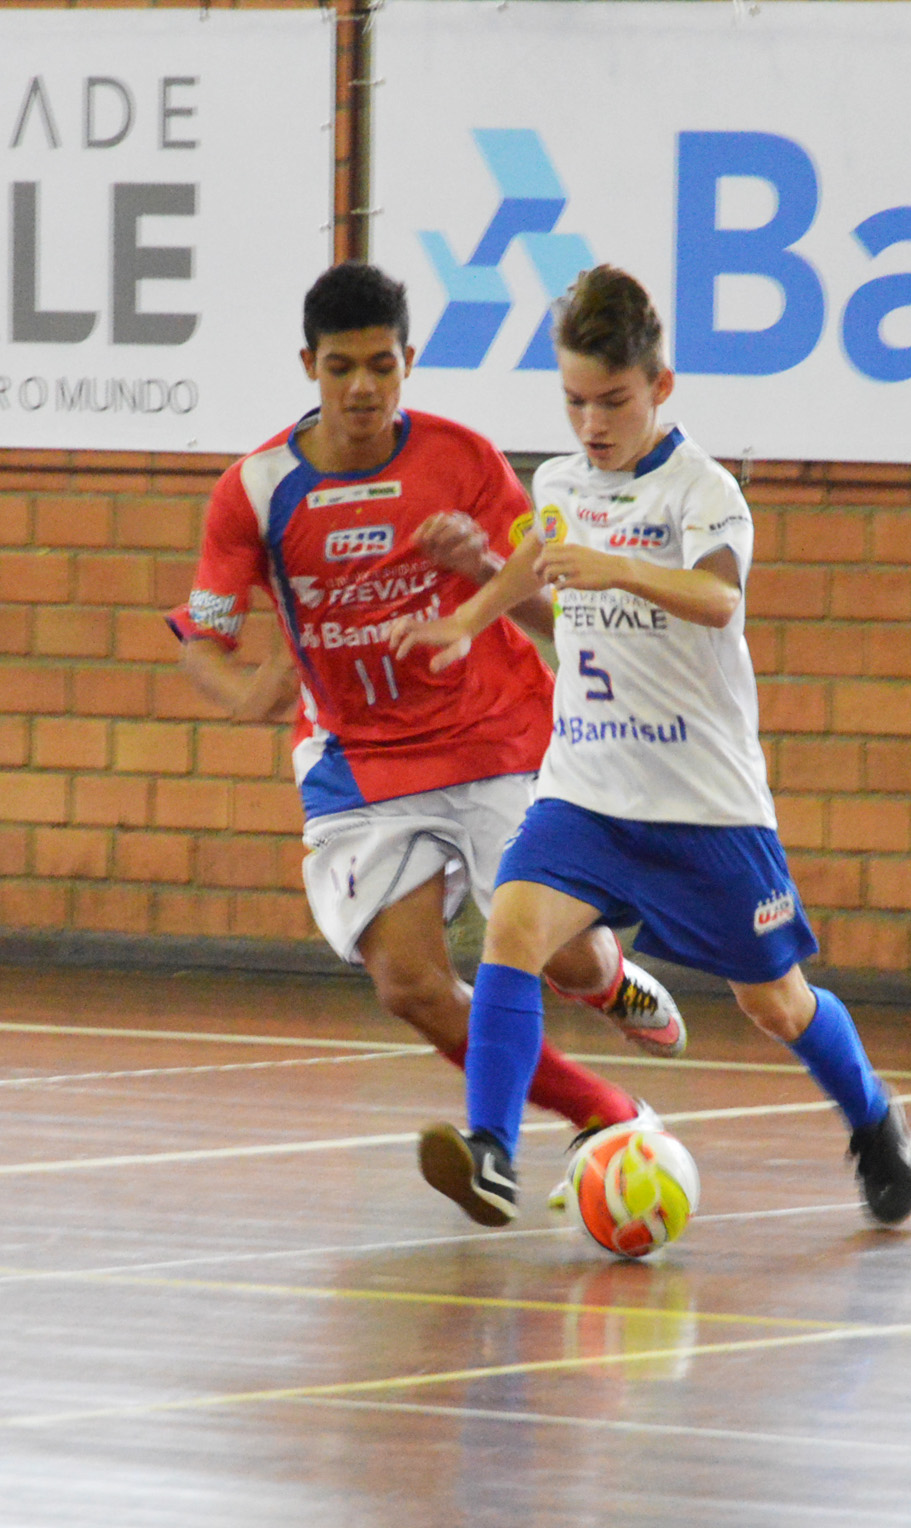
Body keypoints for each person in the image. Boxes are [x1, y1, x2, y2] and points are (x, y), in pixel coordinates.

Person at [392, 265, 911, 1228]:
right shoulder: (559, 484)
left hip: (702, 808)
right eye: (575, 401)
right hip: (587, 789)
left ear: (660, 387)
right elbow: (556, 594)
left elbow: (719, 600)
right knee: (510, 932)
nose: (592, 423)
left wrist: (614, 566)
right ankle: (492, 1151)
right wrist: (470, 609)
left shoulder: (702, 491)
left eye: (614, 401)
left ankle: (874, 1117)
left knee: (775, 1006)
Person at [169, 262, 683, 1147]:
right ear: (308, 366)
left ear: (409, 361)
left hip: (492, 735)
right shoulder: (253, 492)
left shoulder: (465, 461)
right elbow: (201, 636)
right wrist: (245, 690)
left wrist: (481, 567)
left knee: (561, 952)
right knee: (406, 984)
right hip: (358, 760)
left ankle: (606, 977)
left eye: (381, 365)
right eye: (341, 368)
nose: (362, 388)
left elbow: (556, 609)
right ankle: (600, 1112)